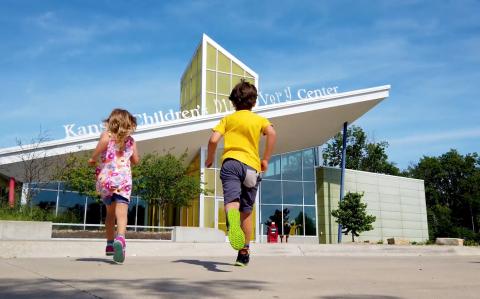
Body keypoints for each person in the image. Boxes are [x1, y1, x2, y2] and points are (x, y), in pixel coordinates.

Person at [205, 79, 277, 266]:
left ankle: (232, 222)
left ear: (233, 101)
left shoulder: (228, 119)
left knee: (232, 201)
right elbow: (272, 134)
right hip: (252, 167)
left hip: (231, 164)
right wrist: (266, 159)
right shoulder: (259, 120)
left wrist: (210, 158)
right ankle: (244, 252)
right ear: (253, 102)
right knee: (246, 211)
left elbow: (213, 140)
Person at [88, 108, 139, 264]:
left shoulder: (107, 136)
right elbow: (136, 160)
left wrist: (93, 158)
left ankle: (110, 244)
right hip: (123, 180)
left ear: (111, 121)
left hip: (107, 180)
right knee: (122, 213)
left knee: (109, 214)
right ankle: (120, 239)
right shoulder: (130, 141)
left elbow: (103, 143)